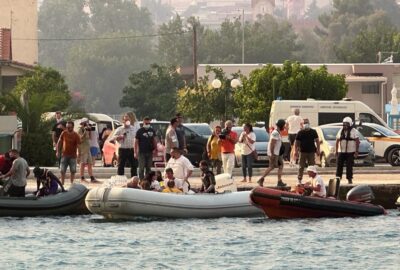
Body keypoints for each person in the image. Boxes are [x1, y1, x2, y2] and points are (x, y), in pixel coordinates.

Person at [257, 119, 287, 187]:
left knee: (279, 166)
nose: (284, 127)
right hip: (274, 153)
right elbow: (272, 144)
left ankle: (279, 181)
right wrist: (272, 154)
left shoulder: (278, 132)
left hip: (277, 153)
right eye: (284, 125)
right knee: (272, 166)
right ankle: (261, 179)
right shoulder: (275, 133)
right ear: (281, 125)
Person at [294, 118, 320, 184]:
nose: (306, 124)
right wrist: (295, 151)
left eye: (307, 122)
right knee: (301, 166)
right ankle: (299, 179)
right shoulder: (300, 132)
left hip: (311, 151)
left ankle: (312, 179)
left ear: (309, 123)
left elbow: (317, 141)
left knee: (312, 166)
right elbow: (296, 143)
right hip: (302, 152)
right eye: (304, 123)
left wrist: (318, 150)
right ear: (302, 124)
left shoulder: (313, 131)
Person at [335, 117, 360, 184]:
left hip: (350, 152)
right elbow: (337, 141)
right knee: (339, 165)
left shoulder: (354, 131)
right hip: (341, 151)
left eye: (347, 124)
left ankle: (349, 179)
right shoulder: (340, 131)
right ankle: (338, 178)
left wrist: (356, 151)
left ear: (350, 124)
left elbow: (357, 142)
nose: (345, 126)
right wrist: (336, 151)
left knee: (349, 166)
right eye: (344, 124)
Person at [78, 118, 97, 183]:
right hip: (83, 148)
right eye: (86, 122)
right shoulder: (80, 129)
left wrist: (90, 130)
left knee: (90, 163)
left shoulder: (87, 129)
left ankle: (92, 177)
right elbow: (80, 139)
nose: (87, 124)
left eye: (88, 122)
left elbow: (90, 138)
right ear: (83, 123)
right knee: (82, 163)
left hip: (88, 148)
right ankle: (82, 177)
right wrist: (85, 132)